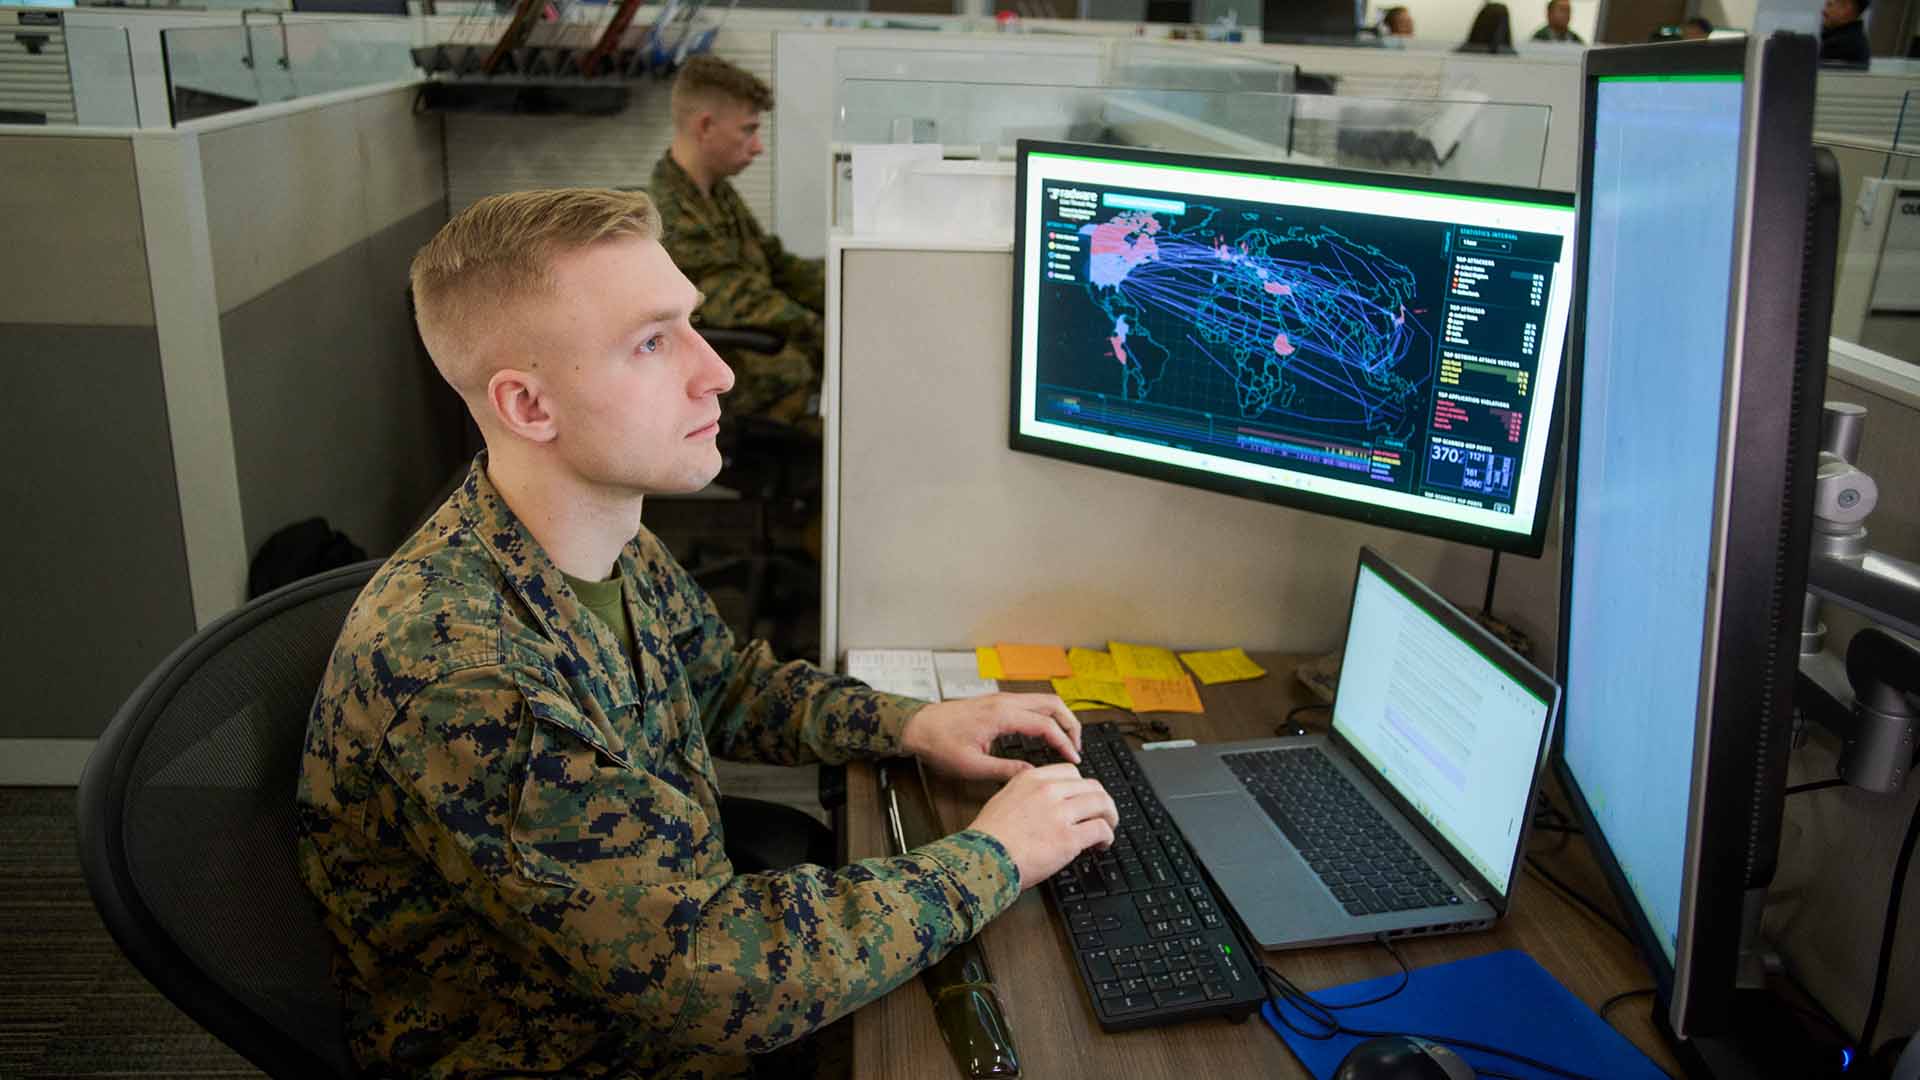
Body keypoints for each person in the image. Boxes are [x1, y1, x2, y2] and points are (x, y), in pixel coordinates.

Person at [294, 187, 1121, 1080]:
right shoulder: (467, 675)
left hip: (643, 979)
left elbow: (725, 683)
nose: (717, 372)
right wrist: (995, 856)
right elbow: (712, 979)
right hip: (580, 1049)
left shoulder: (599, 535)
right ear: (529, 407)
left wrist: (913, 724)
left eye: (691, 324)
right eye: (652, 343)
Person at [650, 56, 822, 429]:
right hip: (733, 374)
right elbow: (738, 301)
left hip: (764, 355)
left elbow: (776, 264)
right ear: (706, 126)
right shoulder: (672, 213)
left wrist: (851, 283)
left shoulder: (717, 195)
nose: (758, 147)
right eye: (748, 130)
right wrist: (823, 331)